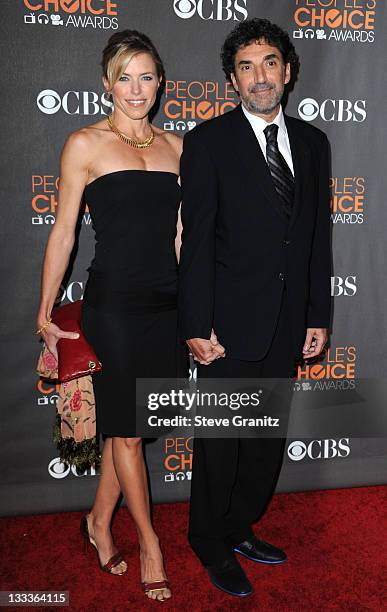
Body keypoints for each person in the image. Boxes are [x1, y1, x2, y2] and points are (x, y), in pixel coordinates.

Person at [178, 18, 331, 597]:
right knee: (220, 443)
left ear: (288, 72)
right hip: (226, 323)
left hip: (288, 322)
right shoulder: (208, 142)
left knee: (264, 442)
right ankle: (208, 541)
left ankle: (238, 526)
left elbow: (317, 238)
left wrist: (318, 313)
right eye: (246, 66)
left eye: (270, 63)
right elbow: (195, 243)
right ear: (232, 80)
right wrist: (196, 324)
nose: (260, 76)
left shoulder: (314, 143)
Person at [36, 29, 187, 602]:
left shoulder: (177, 148)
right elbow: (64, 231)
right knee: (125, 431)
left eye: (146, 76)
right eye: (125, 77)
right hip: (115, 306)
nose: (136, 88)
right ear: (107, 83)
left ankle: (97, 522)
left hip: (168, 305)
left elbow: (181, 236)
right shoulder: (85, 144)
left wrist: (197, 305)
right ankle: (150, 542)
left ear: (159, 83)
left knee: (131, 426)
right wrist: (44, 306)